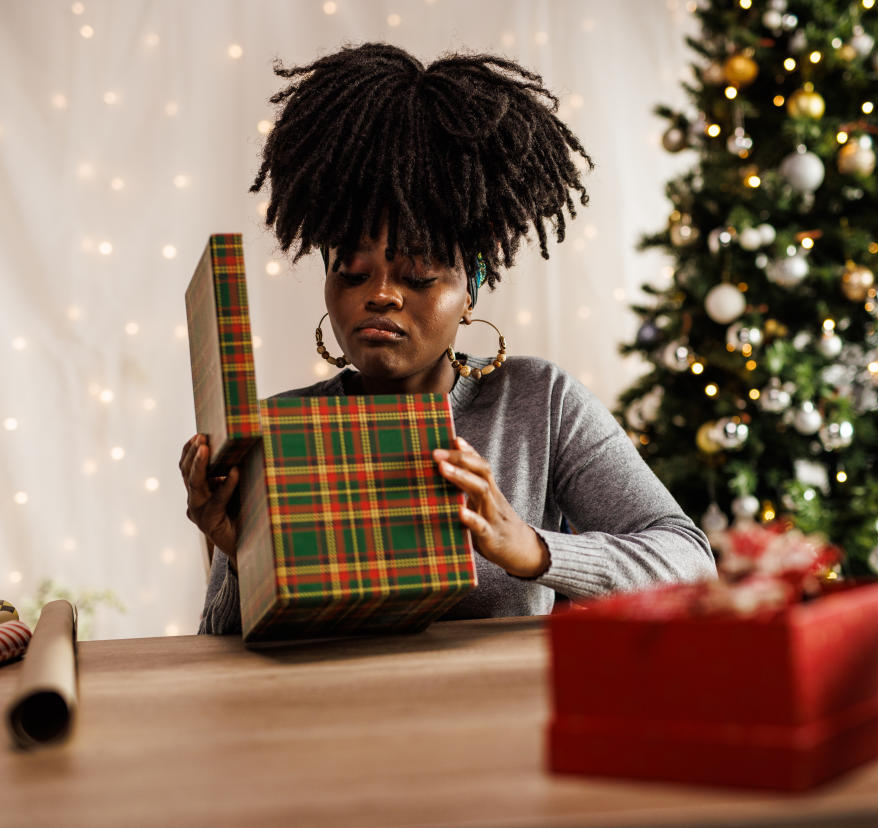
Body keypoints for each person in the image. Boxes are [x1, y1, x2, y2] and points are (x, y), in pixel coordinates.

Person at [183, 43, 714, 635]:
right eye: (352, 272)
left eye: (417, 274)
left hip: (499, 719)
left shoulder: (538, 404)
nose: (380, 294)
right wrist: (237, 553)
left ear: (471, 291)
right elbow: (220, 657)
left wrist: (533, 549)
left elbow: (691, 564)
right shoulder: (280, 430)